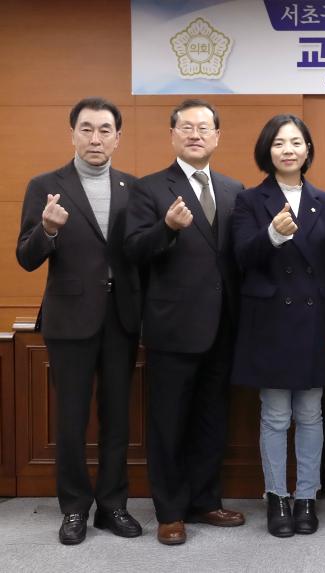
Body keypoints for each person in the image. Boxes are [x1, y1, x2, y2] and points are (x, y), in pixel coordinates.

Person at [16, 97, 142, 545]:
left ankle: (113, 505)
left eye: (105, 130)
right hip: (69, 319)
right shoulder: (45, 185)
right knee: (70, 420)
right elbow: (26, 257)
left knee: (117, 418)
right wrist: (47, 231)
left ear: (118, 138)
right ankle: (73, 509)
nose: (95, 138)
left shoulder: (133, 187)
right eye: (86, 129)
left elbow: (138, 255)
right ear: (72, 134)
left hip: (121, 319)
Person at [124, 99, 245, 545]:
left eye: (204, 128)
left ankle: (205, 500)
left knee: (212, 420)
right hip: (173, 328)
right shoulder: (149, 189)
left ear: (217, 137)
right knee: (169, 422)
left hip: (224, 326)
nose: (196, 134)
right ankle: (171, 511)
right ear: (173, 134)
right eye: (187, 127)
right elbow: (133, 250)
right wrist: (167, 229)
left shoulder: (235, 190)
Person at [231, 115, 325, 537]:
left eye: (295, 142)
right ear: (267, 151)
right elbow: (241, 257)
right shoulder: (249, 200)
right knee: (276, 415)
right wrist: (272, 235)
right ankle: (276, 497)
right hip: (270, 322)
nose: (287, 149)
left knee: (311, 413)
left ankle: (306, 495)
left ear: (307, 150)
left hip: (315, 320)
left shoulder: (324, 198)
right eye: (279, 142)